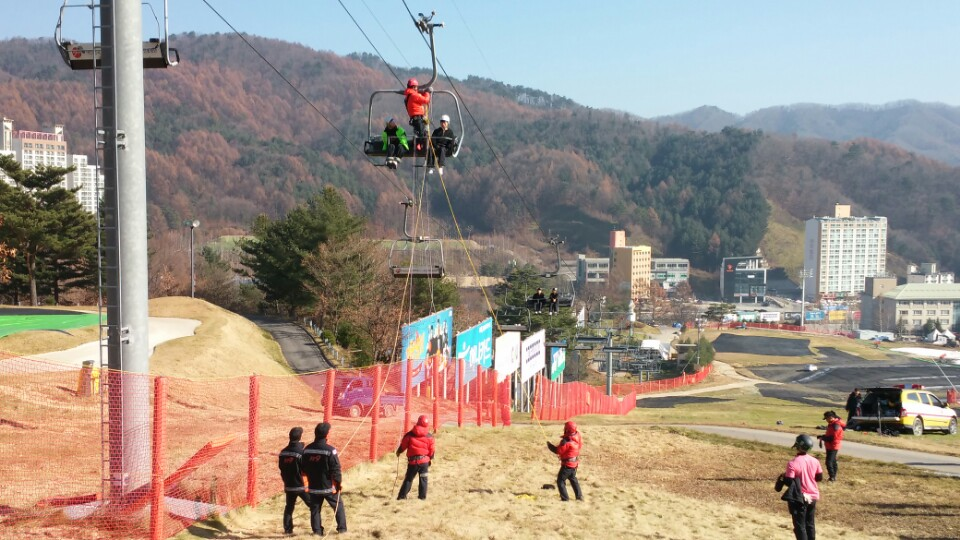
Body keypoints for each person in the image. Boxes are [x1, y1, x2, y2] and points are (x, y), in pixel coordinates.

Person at [301, 422, 347, 535]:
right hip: (328, 488)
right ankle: (342, 529)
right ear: (327, 435)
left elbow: (303, 468)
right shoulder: (330, 450)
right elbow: (336, 470)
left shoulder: (307, 450)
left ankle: (317, 531)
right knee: (338, 506)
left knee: (315, 509)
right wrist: (338, 484)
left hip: (313, 488)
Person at [776, 434, 822, 540]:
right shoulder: (815, 461)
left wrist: (784, 476)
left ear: (798, 446)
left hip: (799, 497)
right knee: (810, 523)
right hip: (813, 496)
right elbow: (819, 478)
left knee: (800, 526)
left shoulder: (792, 463)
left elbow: (788, 482)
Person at [279, 426, 317, 535]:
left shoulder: (283, 452)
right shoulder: (302, 453)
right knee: (314, 506)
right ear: (300, 437)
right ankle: (317, 529)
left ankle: (287, 530)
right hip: (301, 486)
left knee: (289, 507)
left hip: (289, 485)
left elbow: (282, 468)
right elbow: (307, 469)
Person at [396, 414, 436, 500]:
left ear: (418, 422)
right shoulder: (429, 436)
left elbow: (403, 446)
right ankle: (422, 498)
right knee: (424, 479)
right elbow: (432, 450)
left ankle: (402, 497)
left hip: (413, 462)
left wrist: (398, 452)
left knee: (409, 479)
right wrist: (430, 459)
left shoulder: (409, 435)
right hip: (424, 461)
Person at [547, 421, 582, 501]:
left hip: (568, 465)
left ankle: (565, 499)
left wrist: (550, 446)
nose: (564, 429)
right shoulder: (577, 436)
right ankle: (579, 497)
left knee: (560, 481)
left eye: (565, 428)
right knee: (573, 479)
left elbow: (558, 451)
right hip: (575, 463)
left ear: (567, 430)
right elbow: (579, 446)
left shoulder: (566, 442)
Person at [818, 410, 845, 482]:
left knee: (829, 462)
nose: (826, 420)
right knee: (833, 461)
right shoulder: (833, 424)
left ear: (831, 417)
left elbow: (832, 438)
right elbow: (830, 435)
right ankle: (833, 477)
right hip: (832, 445)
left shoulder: (835, 426)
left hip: (833, 446)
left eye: (826, 418)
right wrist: (823, 436)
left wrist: (823, 438)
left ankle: (832, 478)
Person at [403, 78, 431, 147]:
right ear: (413, 87)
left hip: (415, 118)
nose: (417, 88)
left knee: (421, 133)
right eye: (416, 87)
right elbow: (426, 100)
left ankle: (419, 145)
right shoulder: (414, 95)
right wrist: (427, 93)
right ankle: (418, 146)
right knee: (421, 134)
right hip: (417, 118)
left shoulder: (409, 95)